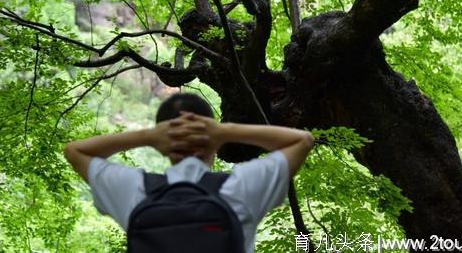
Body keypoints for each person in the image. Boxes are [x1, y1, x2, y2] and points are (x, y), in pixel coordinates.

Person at [64, 93, 314, 253]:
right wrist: (225, 132)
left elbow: (75, 151)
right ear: (214, 143)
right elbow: (302, 141)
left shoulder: (134, 189)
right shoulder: (240, 187)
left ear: (164, 147)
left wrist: (148, 137)